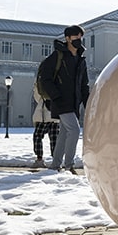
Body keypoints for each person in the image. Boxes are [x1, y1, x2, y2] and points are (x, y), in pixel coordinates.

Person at [39, 25, 89, 173]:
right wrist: (56, 96)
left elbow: (84, 85)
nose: (79, 40)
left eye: (80, 37)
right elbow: (45, 79)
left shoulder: (81, 60)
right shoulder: (57, 56)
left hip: (74, 103)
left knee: (65, 133)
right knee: (74, 130)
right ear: (67, 38)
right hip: (61, 101)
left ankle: (55, 165)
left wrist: (88, 104)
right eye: (75, 37)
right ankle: (69, 165)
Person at [30, 83, 60, 168]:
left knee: (37, 136)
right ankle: (56, 161)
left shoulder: (42, 85)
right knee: (55, 139)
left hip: (43, 116)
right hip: (54, 116)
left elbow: (37, 97)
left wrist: (37, 85)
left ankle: (40, 159)